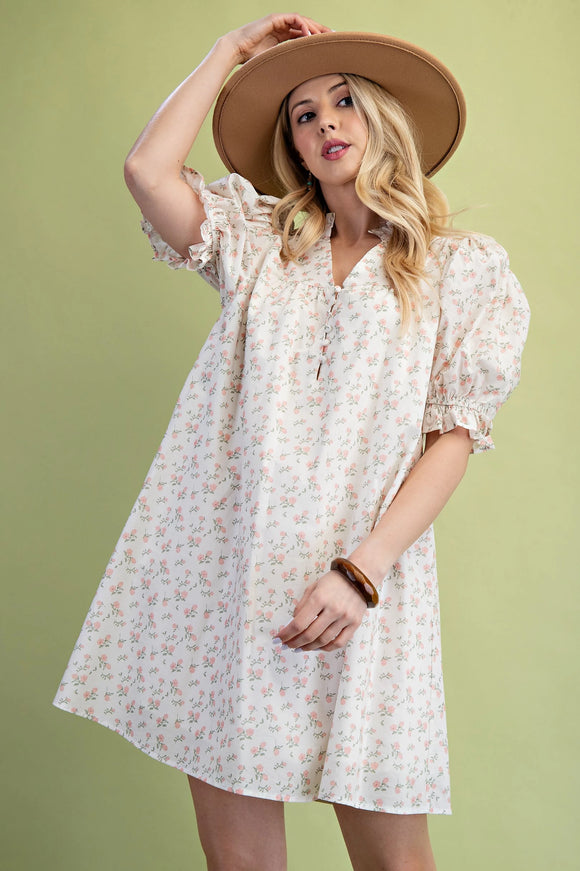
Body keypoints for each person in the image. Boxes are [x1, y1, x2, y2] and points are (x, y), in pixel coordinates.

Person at [54, 13, 530, 871]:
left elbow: (453, 438)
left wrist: (362, 572)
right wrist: (230, 53)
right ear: (295, 149)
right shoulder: (259, 246)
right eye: (303, 115)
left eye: (344, 102)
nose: (325, 124)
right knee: (241, 865)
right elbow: (147, 171)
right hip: (232, 584)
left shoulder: (462, 269)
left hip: (365, 583)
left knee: (397, 864)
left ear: (383, 120)